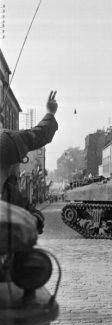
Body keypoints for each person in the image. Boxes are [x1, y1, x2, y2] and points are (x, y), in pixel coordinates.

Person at [0, 91, 58, 234]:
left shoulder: (11, 193)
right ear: (13, 166)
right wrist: (50, 114)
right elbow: (36, 135)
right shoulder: (9, 140)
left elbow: (33, 214)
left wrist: (34, 220)